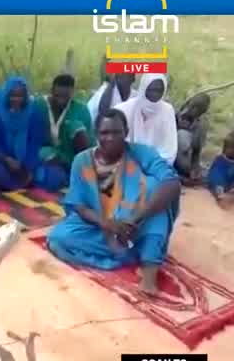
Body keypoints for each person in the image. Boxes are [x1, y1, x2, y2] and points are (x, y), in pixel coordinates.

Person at [47, 109, 181, 295]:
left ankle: (149, 270)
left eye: (116, 132)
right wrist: (107, 224)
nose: (110, 138)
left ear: (126, 132)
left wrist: (135, 218)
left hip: (135, 222)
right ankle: (130, 253)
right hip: (99, 223)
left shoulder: (141, 153)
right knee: (58, 239)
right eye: (104, 133)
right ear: (96, 134)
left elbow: (171, 182)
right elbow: (78, 204)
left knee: (156, 191)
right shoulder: (82, 160)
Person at [0, 76, 67, 192]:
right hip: (3, 160)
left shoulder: (34, 114)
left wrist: (28, 168)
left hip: (27, 161)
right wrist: (7, 160)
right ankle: (22, 183)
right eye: (12, 95)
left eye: (20, 96)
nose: (16, 99)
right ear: (6, 94)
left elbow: (35, 143)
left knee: (55, 175)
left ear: (25, 96)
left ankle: (26, 180)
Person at [114, 73, 177, 165]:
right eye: (152, 90)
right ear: (144, 88)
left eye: (160, 91)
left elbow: (169, 149)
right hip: (127, 163)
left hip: (157, 165)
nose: (155, 95)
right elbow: (117, 144)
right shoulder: (123, 110)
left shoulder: (167, 110)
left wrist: (153, 164)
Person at [35, 73, 93, 170]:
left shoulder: (81, 109)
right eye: (57, 96)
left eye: (66, 97)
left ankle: (84, 169)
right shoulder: (39, 105)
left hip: (70, 155)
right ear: (51, 91)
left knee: (76, 126)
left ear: (72, 94)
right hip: (46, 153)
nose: (61, 101)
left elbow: (89, 141)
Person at [175, 92, 211, 183]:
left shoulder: (201, 125)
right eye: (193, 107)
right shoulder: (175, 114)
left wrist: (194, 169)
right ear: (189, 104)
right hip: (168, 153)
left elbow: (196, 151)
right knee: (182, 135)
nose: (194, 111)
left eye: (199, 110)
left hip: (183, 159)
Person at [207, 130, 234, 207]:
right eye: (226, 146)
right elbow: (216, 177)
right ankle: (221, 197)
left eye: (231, 147)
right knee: (217, 185)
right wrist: (220, 192)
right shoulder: (219, 159)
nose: (227, 149)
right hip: (220, 185)